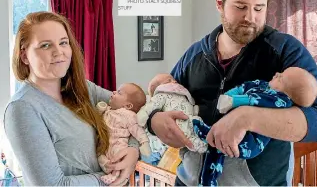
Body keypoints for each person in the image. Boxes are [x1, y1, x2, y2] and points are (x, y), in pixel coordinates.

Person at [146, 0, 317, 186]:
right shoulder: (194, 55)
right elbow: (163, 96)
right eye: (241, 7)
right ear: (220, 3)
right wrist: (154, 121)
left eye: (259, 8)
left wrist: (248, 118)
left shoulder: (286, 50)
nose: (251, 17)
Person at [3, 11, 139, 186]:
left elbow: (131, 110)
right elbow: (52, 185)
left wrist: (133, 151)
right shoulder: (21, 109)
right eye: (45, 45)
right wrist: (113, 177)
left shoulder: (83, 88)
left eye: (63, 43)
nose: (58, 52)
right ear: (24, 56)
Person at [192, 66, 317, 186]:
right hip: (189, 172)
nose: (276, 74)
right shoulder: (263, 86)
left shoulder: (280, 100)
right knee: (215, 152)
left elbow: (255, 99)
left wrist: (238, 108)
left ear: (287, 93)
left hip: (249, 145)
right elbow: (245, 88)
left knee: (218, 147)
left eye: (281, 78)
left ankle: (204, 135)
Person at [137, 73, 207, 154]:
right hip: (176, 123)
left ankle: (201, 138)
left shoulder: (184, 95)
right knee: (183, 132)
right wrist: (144, 115)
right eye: (169, 81)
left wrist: (196, 109)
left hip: (190, 119)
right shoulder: (161, 95)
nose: (174, 81)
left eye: (174, 80)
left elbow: (191, 106)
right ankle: (195, 144)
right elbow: (151, 106)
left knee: (196, 122)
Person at [96, 83, 151, 185]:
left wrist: (144, 142)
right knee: (100, 157)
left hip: (118, 144)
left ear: (128, 105)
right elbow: (97, 119)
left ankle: (115, 175)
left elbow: (138, 130)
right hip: (103, 145)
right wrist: (100, 109)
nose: (113, 92)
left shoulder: (129, 116)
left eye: (119, 92)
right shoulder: (110, 110)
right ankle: (110, 171)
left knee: (117, 158)